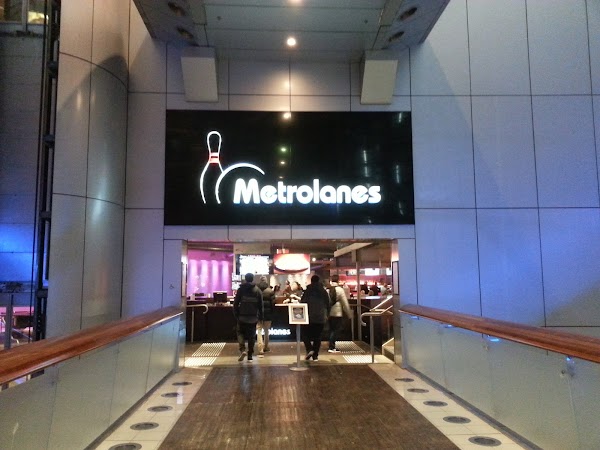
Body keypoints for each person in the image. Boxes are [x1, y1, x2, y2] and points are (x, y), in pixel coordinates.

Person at [233, 273, 263, 361]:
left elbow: (235, 304)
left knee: (240, 333)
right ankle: (250, 355)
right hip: (253, 317)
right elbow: (261, 306)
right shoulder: (257, 290)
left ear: (245, 279)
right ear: (252, 279)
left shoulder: (241, 289)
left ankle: (242, 350)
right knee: (251, 336)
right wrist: (260, 317)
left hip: (242, 317)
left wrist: (236, 315)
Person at [300, 275, 330, 361]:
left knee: (305, 334)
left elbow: (302, 302)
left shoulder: (308, 290)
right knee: (318, 336)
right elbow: (328, 303)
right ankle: (315, 356)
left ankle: (309, 349)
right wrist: (326, 314)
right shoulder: (323, 291)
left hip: (309, 316)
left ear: (311, 281)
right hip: (320, 317)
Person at [327, 274, 353, 353]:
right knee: (335, 330)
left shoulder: (327, 290)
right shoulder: (340, 290)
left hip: (329, 313)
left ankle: (331, 345)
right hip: (337, 312)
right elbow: (345, 302)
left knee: (331, 329)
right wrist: (349, 314)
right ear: (338, 280)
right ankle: (332, 347)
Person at [256, 276, 275, 357]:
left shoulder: (256, 290)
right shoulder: (270, 291)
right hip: (268, 314)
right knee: (266, 331)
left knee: (259, 331)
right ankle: (266, 347)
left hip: (258, 314)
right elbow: (273, 304)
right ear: (266, 281)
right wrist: (272, 313)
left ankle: (260, 349)